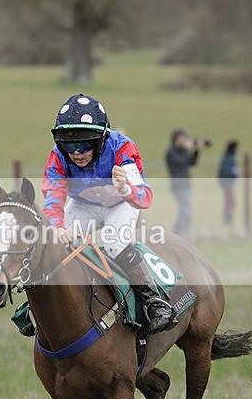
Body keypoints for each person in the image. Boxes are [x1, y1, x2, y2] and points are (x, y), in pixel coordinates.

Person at [41, 94, 174, 334]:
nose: (76, 153)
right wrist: (57, 226)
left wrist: (125, 189)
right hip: (83, 204)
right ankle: (41, 306)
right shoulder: (57, 155)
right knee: (53, 243)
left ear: (102, 139)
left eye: (85, 145)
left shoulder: (123, 147)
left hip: (120, 203)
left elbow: (144, 197)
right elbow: (53, 195)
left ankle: (154, 302)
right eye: (69, 145)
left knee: (115, 244)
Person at [165, 128, 206, 236]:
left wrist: (196, 150)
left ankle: (184, 232)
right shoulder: (171, 152)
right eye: (183, 139)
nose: (185, 141)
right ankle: (177, 233)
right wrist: (187, 149)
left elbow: (192, 162)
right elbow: (181, 161)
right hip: (178, 185)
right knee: (185, 210)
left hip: (185, 185)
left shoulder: (181, 152)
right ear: (176, 139)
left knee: (187, 210)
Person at [218, 140, 240, 225]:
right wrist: (237, 171)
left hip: (227, 183)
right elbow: (227, 171)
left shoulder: (227, 157)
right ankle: (227, 221)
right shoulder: (228, 158)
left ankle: (227, 220)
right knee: (230, 202)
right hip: (227, 183)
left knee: (229, 202)